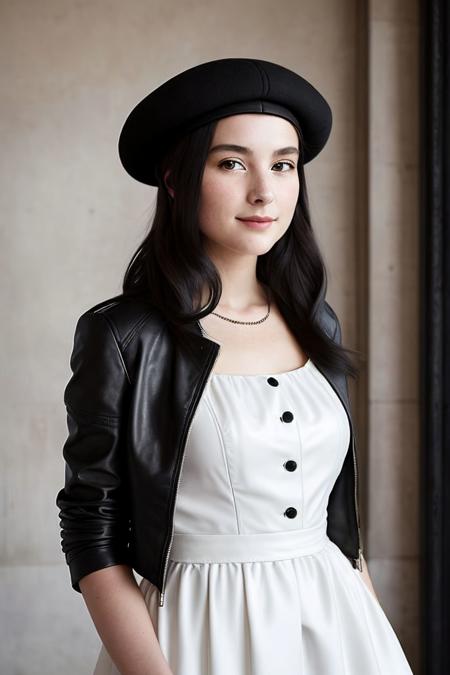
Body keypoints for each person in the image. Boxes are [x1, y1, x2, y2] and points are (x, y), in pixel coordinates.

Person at [56, 58, 414, 675]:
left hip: (341, 632)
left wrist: (379, 642)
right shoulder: (124, 335)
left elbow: (337, 527)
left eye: (282, 164)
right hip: (199, 636)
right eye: (231, 163)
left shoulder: (315, 321)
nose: (264, 192)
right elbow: (93, 533)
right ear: (175, 177)